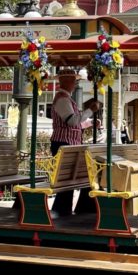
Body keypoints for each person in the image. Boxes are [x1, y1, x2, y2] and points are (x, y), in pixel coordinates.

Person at [49, 69, 103, 217]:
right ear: (65, 81)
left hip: (69, 144)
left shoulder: (67, 99)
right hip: (63, 143)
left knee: (71, 178)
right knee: (66, 179)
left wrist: (90, 122)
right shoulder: (62, 99)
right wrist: (90, 111)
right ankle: (61, 209)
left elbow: (75, 122)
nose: (75, 83)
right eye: (73, 80)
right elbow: (72, 121)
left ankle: (66, 209)